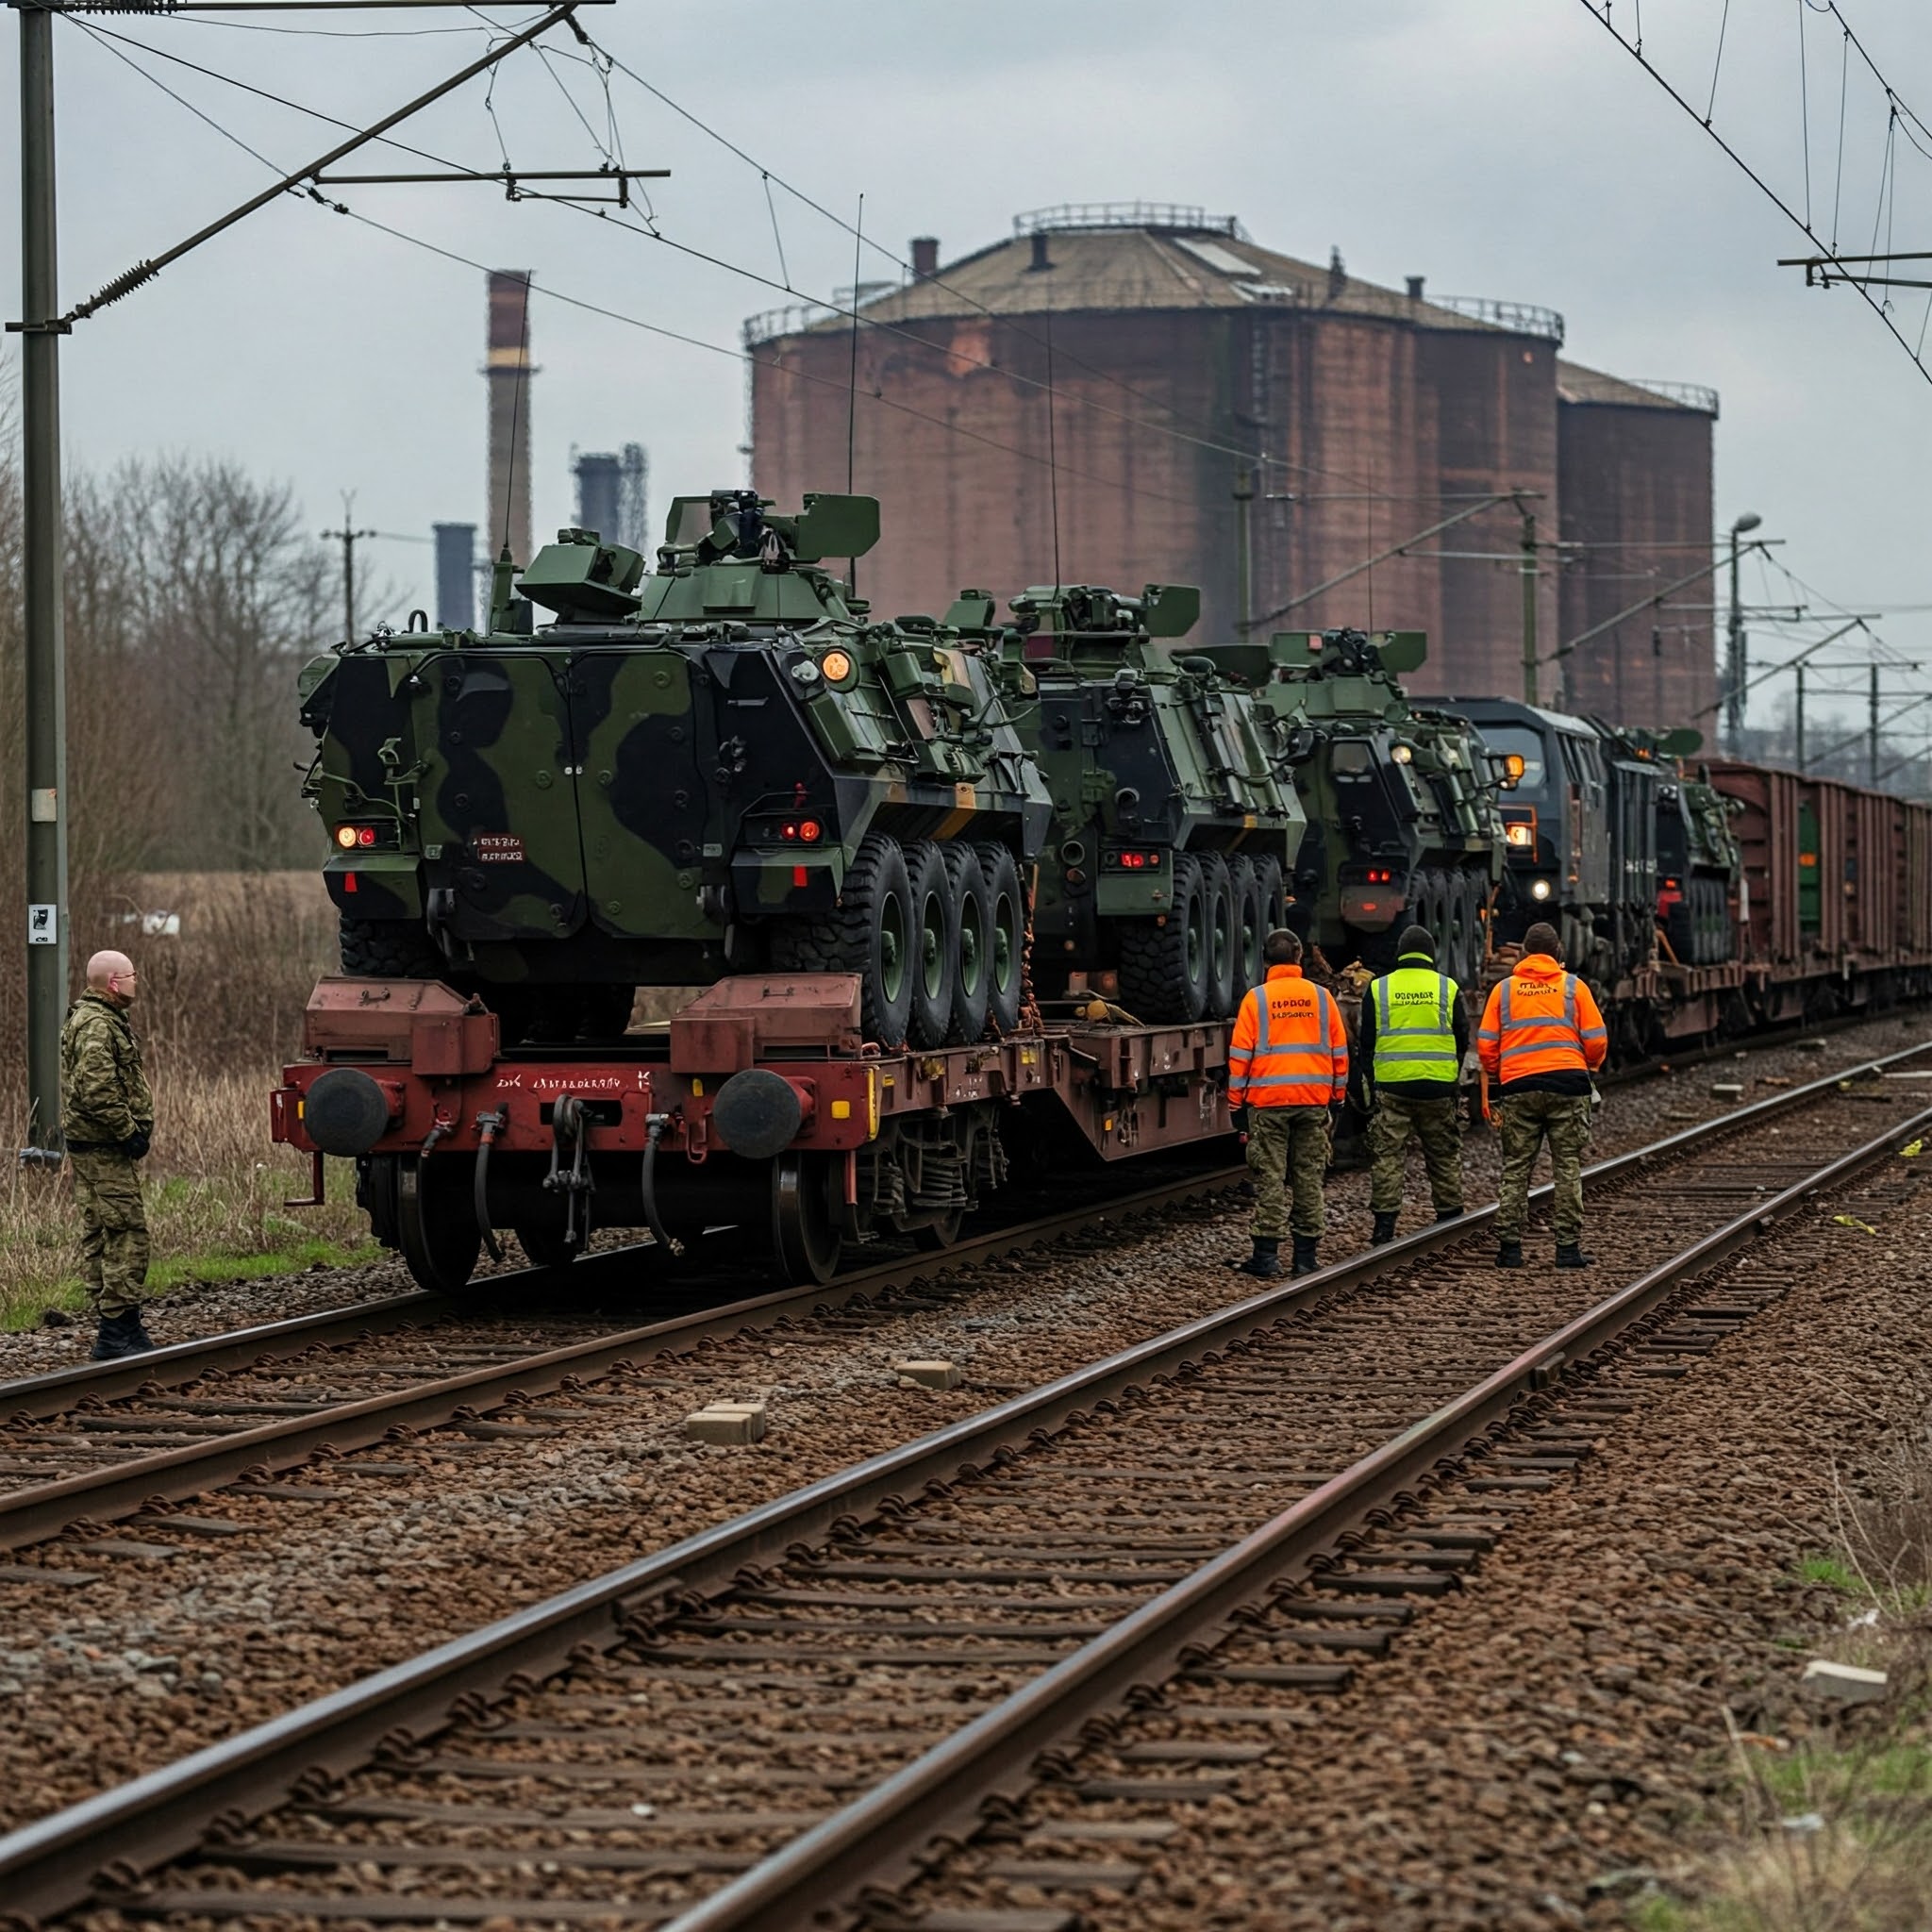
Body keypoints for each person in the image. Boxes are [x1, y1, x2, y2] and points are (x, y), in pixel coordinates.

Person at [1475, 921, 1607, 1270]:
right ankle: (1566, 1249)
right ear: (1557, 953)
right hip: (1568, 1086)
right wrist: (1588, 1066)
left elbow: (1486, 1045)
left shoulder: (1503, 991)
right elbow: (1596, 1039)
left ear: (1524, 954)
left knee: (1516, 1167)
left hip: (1519, 1088)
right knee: (1567, 1167)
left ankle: (1509, 1250)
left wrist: (1500, 1072)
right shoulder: (1574, 988)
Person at [1228, 927, 1349, 1278]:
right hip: (1313, 1101)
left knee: (1271, 1177)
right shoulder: (1323, 998)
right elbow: (1339, 1053)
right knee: (1308, 1175)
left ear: (1265, 960)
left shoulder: (1256, 999)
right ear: (1299, 957)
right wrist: (1337, 1097)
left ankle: (1266, 1257)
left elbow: (1239, 1058)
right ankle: (1305, 1257)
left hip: (1268, 1102)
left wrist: (1237, 1106)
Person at [60, 949, 158, 1359]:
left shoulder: (96, 1018)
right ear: (114, 983)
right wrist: (129, 1132)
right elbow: (97, 1087)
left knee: (104, 1229)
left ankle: (123, 1325)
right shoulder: (98, 1025)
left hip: (94, 1145)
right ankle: (115, 1330)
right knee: (125, 1233)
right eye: (132, 975)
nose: (137, 981)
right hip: (103, 1147)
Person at [1357, 923, 1468, 1244]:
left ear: (1399, 954)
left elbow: (1366, 1042)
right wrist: (1450, 1073)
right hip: (1438, 1086)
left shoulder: (1379, 989)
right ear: (1431, 955)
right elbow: (1462, 1037)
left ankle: (1384, 1227)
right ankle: (1450, 1216)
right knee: (1443, 1152)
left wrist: (1374, 1078)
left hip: (1392, 1088)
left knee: (1388, 1155)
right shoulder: (1447, 987)